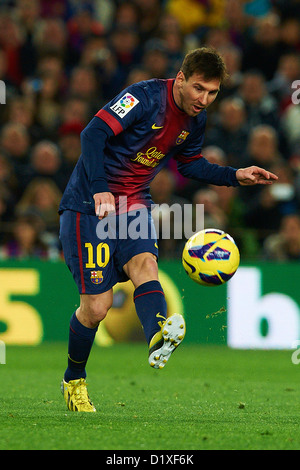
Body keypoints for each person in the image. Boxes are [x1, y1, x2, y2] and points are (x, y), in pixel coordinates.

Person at [59, 47, 278, 412]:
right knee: (96, 308)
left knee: (145, 265)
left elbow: (190, 165)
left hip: (133, 205)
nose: (203, 99)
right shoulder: (143, 97)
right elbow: (92, 134)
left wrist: (235, 176)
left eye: (212, 93)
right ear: (180, 79)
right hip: (88, 206)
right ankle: (74, 380)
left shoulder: (196, 120)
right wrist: (99, 187)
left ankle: (159, 334)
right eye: (198, 89)